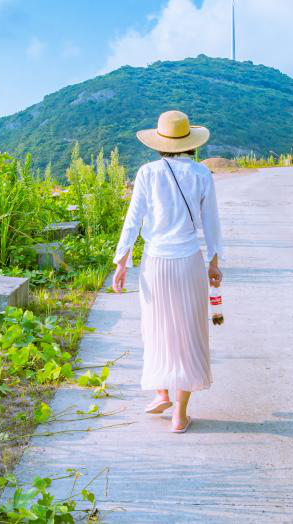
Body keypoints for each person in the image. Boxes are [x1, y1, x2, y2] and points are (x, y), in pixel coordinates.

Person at [112, 110, 223, 434]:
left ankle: (161, 392)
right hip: (188, 260)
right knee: (188, 332)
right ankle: (179, 413)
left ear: (159, 142)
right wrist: (215, 262)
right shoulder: (202, 174)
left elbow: (133, 219)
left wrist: (122, 261)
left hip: (156, 262)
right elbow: (211, 223)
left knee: (155, 328)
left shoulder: (148, 173)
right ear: (190, 143)